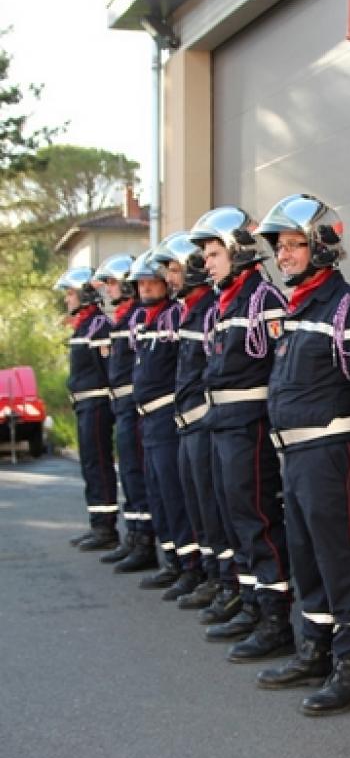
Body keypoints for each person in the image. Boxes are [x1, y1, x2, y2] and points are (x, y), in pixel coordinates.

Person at [255, 194, 350, 715]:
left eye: (293, 246)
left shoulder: (346, 309)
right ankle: (317, 649)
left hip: (334, 454)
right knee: (307, 559)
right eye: (280, 247)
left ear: (322, 247)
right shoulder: (298, 306)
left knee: (344, 560)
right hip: (300, 459)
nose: (283, 256)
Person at [190, 207, 294, 662]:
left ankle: (275, 620)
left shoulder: (264, 299)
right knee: (235, 520)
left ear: (238, 251)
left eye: (214, 253)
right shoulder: (227, 300)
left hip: (249, 424)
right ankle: (252, 604)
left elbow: (278, 366)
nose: (207, 263)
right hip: (222, 423)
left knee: (257, 520)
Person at [150, 231, 235, 612]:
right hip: (187, 423)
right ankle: (211, 575)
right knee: (198, 506)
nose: (169, 278)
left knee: (215, 509)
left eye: (174, 269)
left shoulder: (210, 310)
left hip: (205, 422)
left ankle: (226, 580)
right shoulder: (191, 311)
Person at [125, 252, 201, 599]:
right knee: (157, 493)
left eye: (151, 281)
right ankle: (171, 560)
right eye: (140, 283)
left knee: (175, 494)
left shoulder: (173, 316)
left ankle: (190, 567)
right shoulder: (144, 319)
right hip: (148, 420)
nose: (145, 288)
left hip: (168, 416)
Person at [91, 254, 157, 572]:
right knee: (128, 472)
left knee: (135, 471)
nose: (108, 290)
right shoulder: (123, 317)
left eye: (113, 283)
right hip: (123, 406)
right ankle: (133, 535)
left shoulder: (136, 317)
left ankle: (144, 539)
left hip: (134, 405)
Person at [54, 266, 119, 551]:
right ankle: (97, 521)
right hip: (84, 404)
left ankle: (106, 529)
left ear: (84, 294)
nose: (67, 299)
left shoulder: (99, 326)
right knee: (90, 464)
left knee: (99, 463)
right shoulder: (83, 324)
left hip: (96, 404)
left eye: (70, 293)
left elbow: (107, 370)